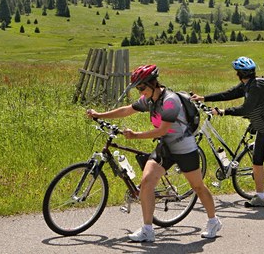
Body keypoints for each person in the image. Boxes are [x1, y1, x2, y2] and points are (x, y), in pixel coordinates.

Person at [86, 64, 222, 242]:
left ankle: (213, 221)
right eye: (138, 89)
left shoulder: (170, 101)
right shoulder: (149, 99)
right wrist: (100, 114)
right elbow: (127, 109)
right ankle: (148, 230)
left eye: (142, 88)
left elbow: (163, 130)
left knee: (197, 186)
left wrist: (136, 136)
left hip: (184, 147)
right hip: (166, 147)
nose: (140, 92)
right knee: (147, 182)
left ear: (153, 84)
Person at [191, 56, 264, 208]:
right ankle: (259, 197)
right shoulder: (248, 84)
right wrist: (204, 98)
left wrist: (223, 112)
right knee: (257, 162)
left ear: (240, 73)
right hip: (262, 126)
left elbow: (246, 109)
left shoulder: (257, 87)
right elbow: (229, 93)